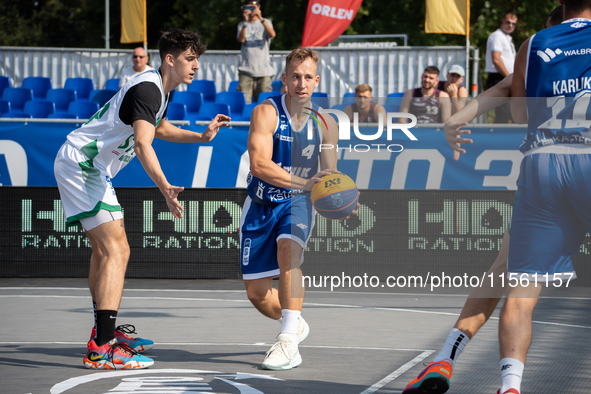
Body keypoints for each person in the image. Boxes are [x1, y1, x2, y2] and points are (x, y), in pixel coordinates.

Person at [402, 6, 564, 393]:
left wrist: (456, 119)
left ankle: (470, 368)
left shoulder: (538, 47)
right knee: (508, 274)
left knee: (510, 280)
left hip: (546, 171)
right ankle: (450, 361)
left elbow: (511, 95)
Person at [54, 29, 230, 370]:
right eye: (190, 59)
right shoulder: (149, 87)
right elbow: (143, 144)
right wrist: (165, 187)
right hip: (84, 164)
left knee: (105, 251)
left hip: (86, 165)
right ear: (170, 59)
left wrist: (201, 136)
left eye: (197, 60)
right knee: (117, 249)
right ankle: (102, 348)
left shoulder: (157, 89)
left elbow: (158, 128)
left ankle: (102, 334)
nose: (196, 66)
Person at [498, 0, 591, 392]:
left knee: (521, 290)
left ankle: (510, 386)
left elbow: (520, 114)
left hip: (542, 162)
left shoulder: (533, 42)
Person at [240, 47, 341, 370]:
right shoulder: (266, 112)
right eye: (295, 76)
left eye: (308, 77)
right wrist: (306, 183)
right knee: (257, 293)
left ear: (316, 81)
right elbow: (259, 164)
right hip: (260, 202)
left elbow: (329, 175)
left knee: (289, 254)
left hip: (296, 203)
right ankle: (293, 321)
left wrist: (338, 197)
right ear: (284, 79)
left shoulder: (326, 122)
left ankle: (287, 342)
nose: (301, 83)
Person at [237, 0, 276, 104]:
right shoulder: (242, 24)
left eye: (253, 7)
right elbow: (241, 40)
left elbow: (272, 35)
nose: (251, 10)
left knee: (265, 105)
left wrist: (261, 18)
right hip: (245, 71)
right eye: (248, 7)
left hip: (264, 72)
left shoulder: (266, 22)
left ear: (258, 7)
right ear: (243, 8)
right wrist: (245, 21)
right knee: (244, 104)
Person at [485, 12, 518, 123]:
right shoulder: (497, 36)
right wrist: (509, 77)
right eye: (508, 22)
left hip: (505, 78)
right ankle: (496, 139)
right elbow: (496, 60)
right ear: (502, 21)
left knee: (513, 112)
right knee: (505, 111)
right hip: (499, 77)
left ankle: (509, 139)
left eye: (514, 24)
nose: (510, 26)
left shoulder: (506, 38)